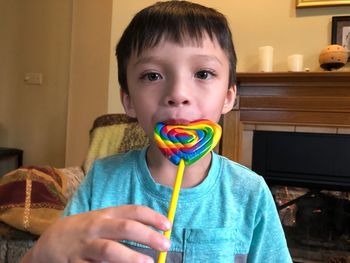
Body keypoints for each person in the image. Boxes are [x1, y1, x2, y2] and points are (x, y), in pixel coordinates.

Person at [21, 1, 292, 262]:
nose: (178, 94)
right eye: (152, 76)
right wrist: (41, 254)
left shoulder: (250, 193)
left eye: (203, 73)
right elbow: (65, 251)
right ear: (128, 100)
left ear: (228, 97)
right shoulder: (102, 180)